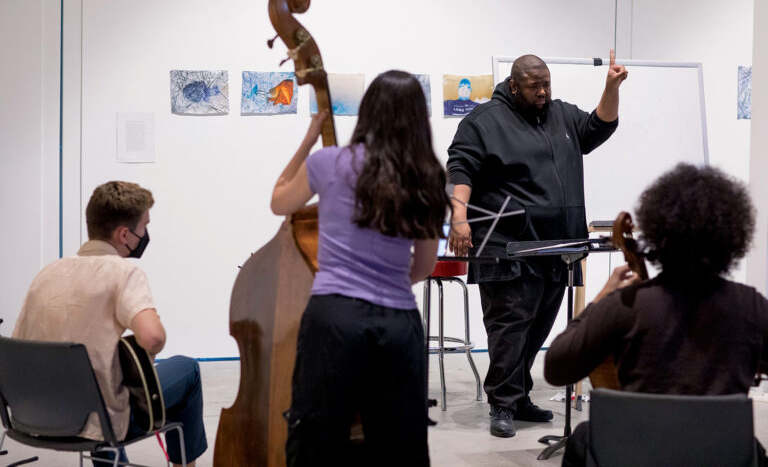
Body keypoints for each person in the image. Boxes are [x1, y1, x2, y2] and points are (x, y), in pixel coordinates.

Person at [271, 70, 449, 466]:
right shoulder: (427, 177)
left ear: (368, 111)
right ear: (420, 118)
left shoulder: (328, 162)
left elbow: (280, 201)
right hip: (398, 323)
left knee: (317, 438)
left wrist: (309, 140)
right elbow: (424, 265)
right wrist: (384, 282)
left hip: (334, 317)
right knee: (400, 444)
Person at [446, 51, 628, 437]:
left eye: (546, 84)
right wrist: (459, 218)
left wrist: (610, 88)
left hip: (557, 250)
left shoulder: (561, 115)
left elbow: (599, 126)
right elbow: (460, 169)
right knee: (510, 328)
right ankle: (502, 403)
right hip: (507, 248)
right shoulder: (483, 123)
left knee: (539, 328)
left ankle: (519, 394)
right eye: (534, 86)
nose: (543, 92)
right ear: (514, 86)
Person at [543, 163, 768, 467]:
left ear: (659, 232)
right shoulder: (751, 307)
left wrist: (601, 298)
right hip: (718, 456)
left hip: (635, 455)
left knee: (583, 437)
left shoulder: (627, 304)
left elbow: (557, 368)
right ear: (732, 236)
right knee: (750, 446)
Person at [13, 181, 207, 467]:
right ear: (125, 235)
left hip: (32, 417)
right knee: (187, 368)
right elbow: (153, 339)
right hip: (98, 421)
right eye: (144, 227)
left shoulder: (47, 273)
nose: (146, 235)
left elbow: (19, 347)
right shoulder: (123, 272)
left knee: (97, 382)